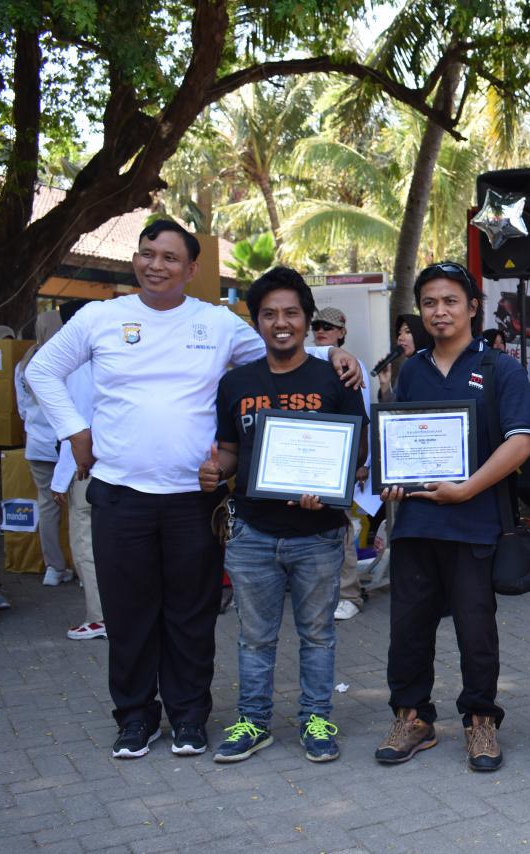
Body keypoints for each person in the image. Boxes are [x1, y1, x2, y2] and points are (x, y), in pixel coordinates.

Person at [25, 219, 362, 760]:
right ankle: (135, 718)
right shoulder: (100, 317)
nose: (155, 265)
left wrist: (336, 356)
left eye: (169, 258)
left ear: (191, 269)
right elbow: (42, 371)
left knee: (191, 615)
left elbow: (280, 349)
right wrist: (75, 430)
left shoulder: (217, 323)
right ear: (136, 259)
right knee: (128, 616)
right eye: (147, 254)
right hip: (120, 492)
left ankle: (187, 717)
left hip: (194, 499)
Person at [374, 261, 530, 773]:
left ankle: (481, 719)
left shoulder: (500, 368)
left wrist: (467, 488)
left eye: (450, 301)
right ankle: (412, 717)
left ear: (472, 307)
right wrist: (393, 480)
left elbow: (522, 441)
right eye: (429, 303)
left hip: (475, 523)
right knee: (408, 629)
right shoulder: (413, 369)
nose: (439, 311)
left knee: (476, 630)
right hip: (417, 524)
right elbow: (399, 442)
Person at [202, 267, 368, 764]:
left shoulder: (335, 377)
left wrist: (330, 490)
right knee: (255, 638)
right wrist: (216, 471)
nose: (281, 323)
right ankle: (253, 722)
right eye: (269, 314)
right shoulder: (235, 383)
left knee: (318, 635)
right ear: (256, 321)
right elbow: (231, 451)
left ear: (306, 319)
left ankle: (316, 719)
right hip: (251, 531)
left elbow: (358, 453)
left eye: (291, 313)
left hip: (318, 533)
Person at [48, 299, 104, 640]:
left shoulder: (74, 364)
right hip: (119, 465)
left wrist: (60, 479)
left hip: (86, 467)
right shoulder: (114, 356)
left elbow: (76, 430)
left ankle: (99, 617)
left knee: (86, 545)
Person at [309, 306, 367, 619]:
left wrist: (361, 463)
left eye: (328, 327)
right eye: (317, 326)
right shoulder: (304, 359)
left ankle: (349, 593)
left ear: (342, 332)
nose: (321, 331)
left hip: (340, 459)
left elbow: (363, 417)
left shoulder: (351, 366)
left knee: (340, 526)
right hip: (309, 456)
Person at [14, 311, 73, 587]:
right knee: (79, 508)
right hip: (69, 445)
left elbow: (22, 410)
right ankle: (84, 568)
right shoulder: (67, 361)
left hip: (37, 444)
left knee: (47, 506)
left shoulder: (23, 364)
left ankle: (54, 568)